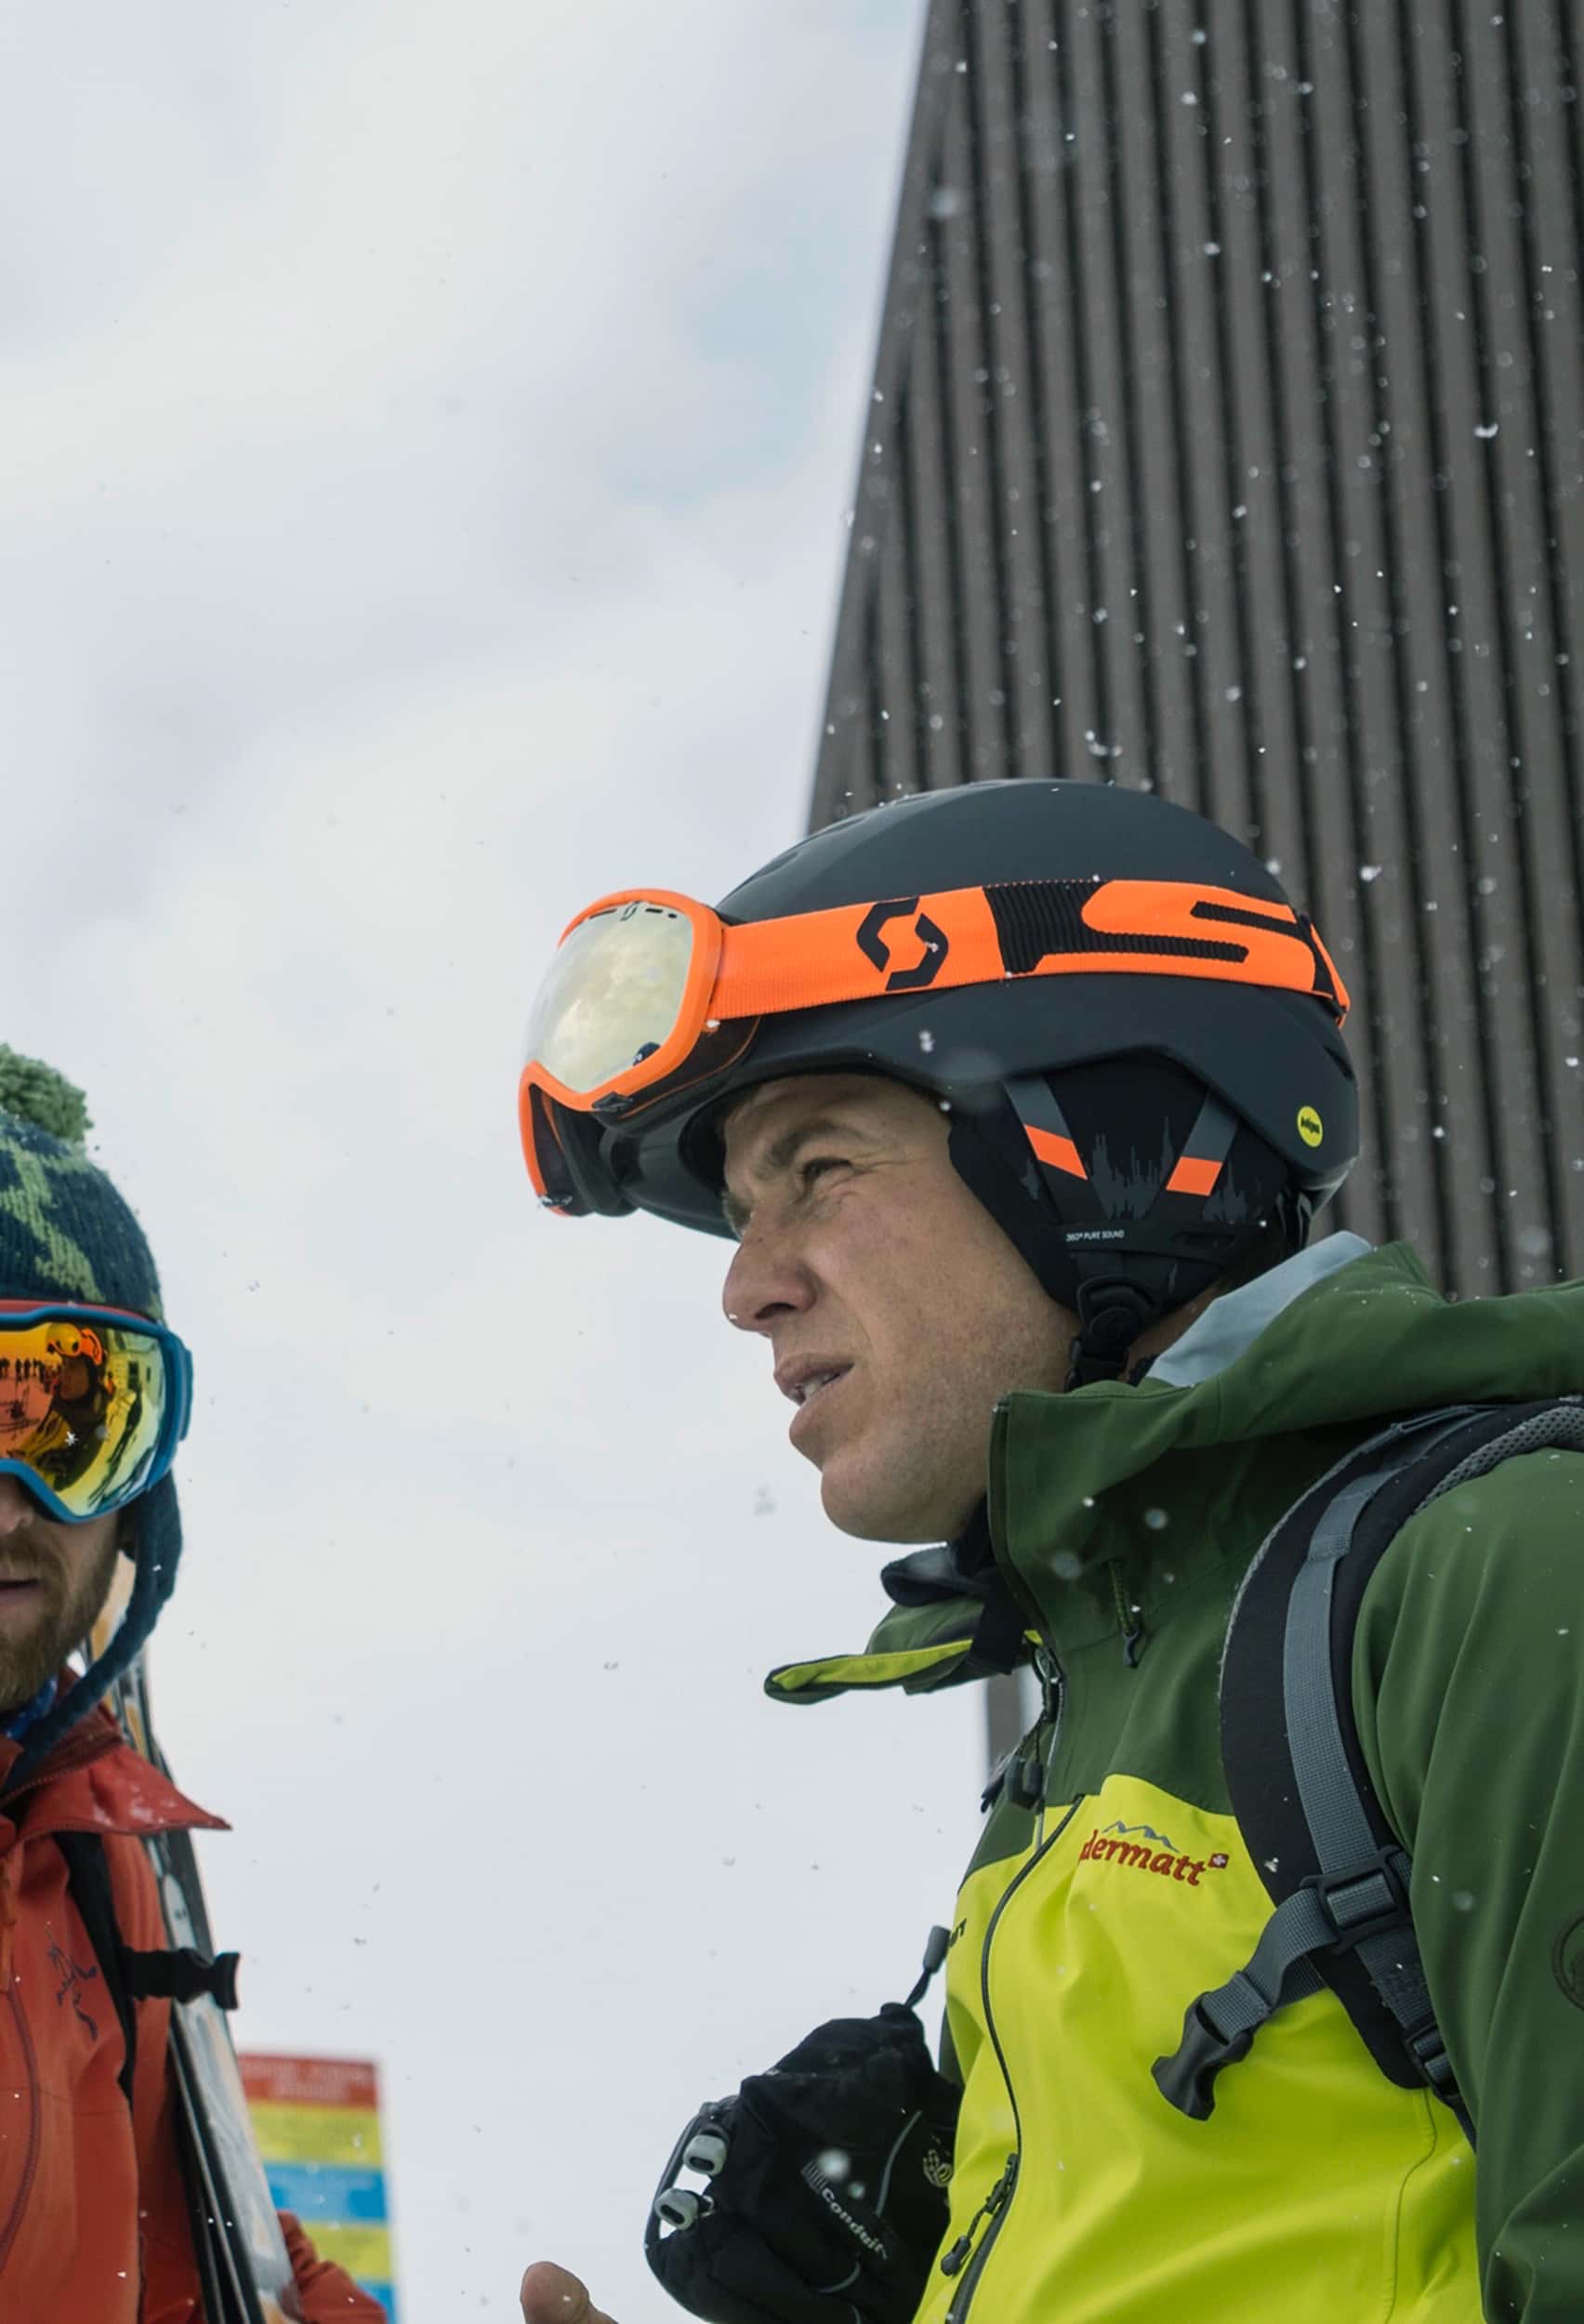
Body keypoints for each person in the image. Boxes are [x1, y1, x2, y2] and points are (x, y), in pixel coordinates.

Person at [512, 779, 1584, 2324]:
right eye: (743, 1213)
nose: (747, 1289)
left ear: (1099, 1149)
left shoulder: (1502, 1575)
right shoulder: (1102, 1694)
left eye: (819, 1170)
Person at [0, 1046, 382, 2322]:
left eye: (68, 1430)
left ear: (141, 1497)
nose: (8, 1507)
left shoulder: (93, 1852)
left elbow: (167, 2250)